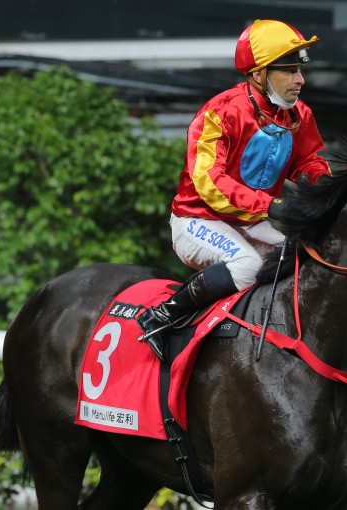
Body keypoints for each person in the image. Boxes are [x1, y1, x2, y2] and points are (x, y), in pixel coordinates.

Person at [137, 19, 331, 356]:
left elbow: (308, 161)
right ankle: (162, 316)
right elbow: (210, 182)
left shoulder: (299, 115)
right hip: (197, 220)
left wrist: (326, 187)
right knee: (248, 265)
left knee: (303, 258)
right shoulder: (220, 112)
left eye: (300, 69)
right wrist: (269, 206)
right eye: (288, 71)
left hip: (250, 221)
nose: (300, 80)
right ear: (258, 74)